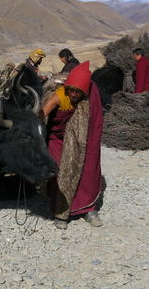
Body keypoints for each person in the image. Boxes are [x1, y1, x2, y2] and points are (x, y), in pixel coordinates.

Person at [40, 61, 104, 229]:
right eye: (72, 89)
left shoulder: (87, 99)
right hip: (56, 139)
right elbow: (41, 116)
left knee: (86, 169)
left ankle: (88, 208)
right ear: (67, 87)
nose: (75, 94)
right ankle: (60, 212)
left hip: (78, 138)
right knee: (61, 171)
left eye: (79, 91)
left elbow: (95, 120)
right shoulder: (58, 96)